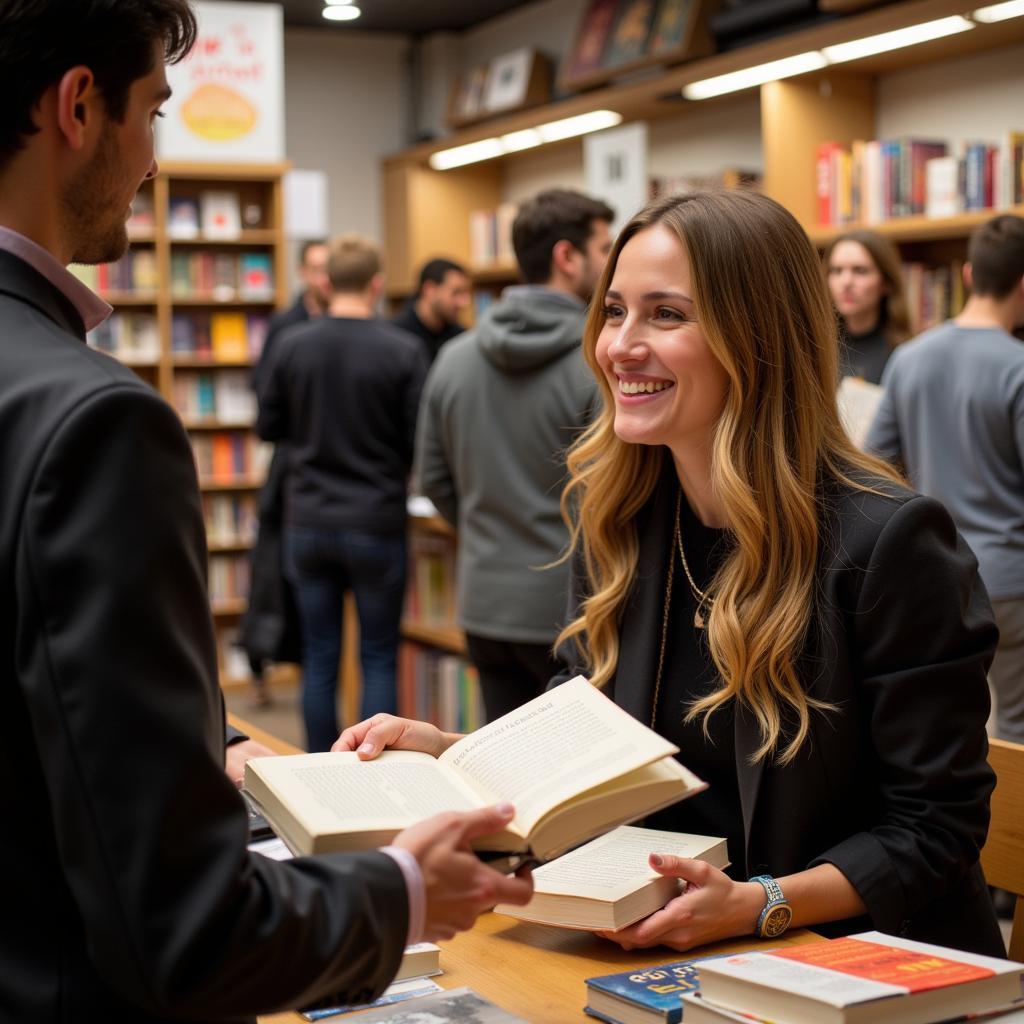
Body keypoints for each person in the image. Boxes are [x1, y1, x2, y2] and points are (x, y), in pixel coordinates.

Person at [0, 4, 531, 1020]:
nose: (153, 162)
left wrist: (192, 749)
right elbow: (184, 937)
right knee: (371, 658)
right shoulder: (93, 422)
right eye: (151, 111)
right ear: (78, 105)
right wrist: (406, 888)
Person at [337, 190, 1005, 959]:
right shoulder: (622, 518)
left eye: (666, 314)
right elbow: (590, 741)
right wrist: (452, 754)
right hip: (678, 949)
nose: (619, 345)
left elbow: (934, 829)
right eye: (614, 310)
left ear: (757, 339)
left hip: (850, 961)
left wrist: (758, 906)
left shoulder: (891, 540)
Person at [415, 189, 613, 721]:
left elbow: (433, 476)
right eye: (604, 249)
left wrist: (485, 530)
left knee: (504, 776)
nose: (610, 263)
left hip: (484, 603)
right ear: (567, 257)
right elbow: (611, 491)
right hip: (571, 609)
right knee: (578, 779)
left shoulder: (453, 359)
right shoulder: (600, 361)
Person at [257, 234, 429, 751]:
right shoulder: (404, 349)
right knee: (377, 652)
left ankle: (319, 771)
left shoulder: (291, 345)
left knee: (320, 654)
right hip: (376, 520)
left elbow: (268, 426)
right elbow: (415, 437)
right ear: (377, 284)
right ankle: (372, 766)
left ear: (325, 282)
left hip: (307, 520)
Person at [867, 213, 1024, 744]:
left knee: (947, 727)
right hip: (1009, 579)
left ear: (966, 274)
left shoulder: (909, 359)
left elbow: (874, 464)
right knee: (1015, 727)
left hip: (933, 572)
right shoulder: (1018, 367)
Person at [241, 240, 330, 706]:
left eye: (329, 268)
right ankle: (260, 668)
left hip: (329, 478)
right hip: (292, 473)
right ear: (302, 272)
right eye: (315, 268)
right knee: (271, 579)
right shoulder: (286, 326)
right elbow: (266, 401)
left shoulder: (344, 323)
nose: (323, 277)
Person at [826, 229, 911, 383]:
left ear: (886, 282)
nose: (846, 282)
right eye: (837, 271)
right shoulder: (814, 347)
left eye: (860, 271)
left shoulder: (904, 353)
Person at [392, 257, 471, 363]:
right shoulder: (396, 336)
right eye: (456, 292)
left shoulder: (461, 338)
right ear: (430, 289)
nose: (464, 302)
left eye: (465, 293)